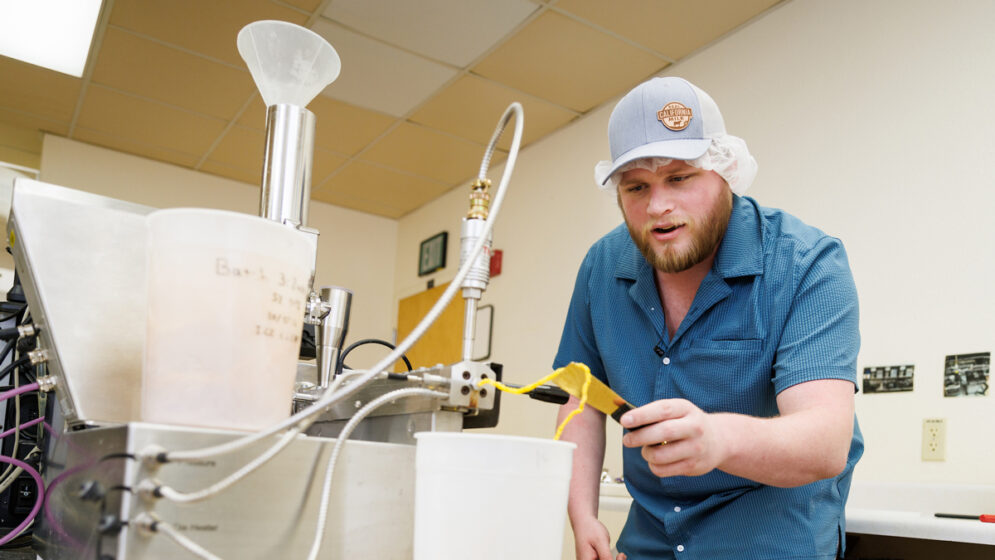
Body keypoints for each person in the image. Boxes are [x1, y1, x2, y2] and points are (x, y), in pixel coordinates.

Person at [553, 76, 863, 560]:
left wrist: (720, 439)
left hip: (771, 537)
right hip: (650, 537)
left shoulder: (806, 264)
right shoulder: (602, 268)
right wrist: (583, 515)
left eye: (679, 178)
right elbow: (582, 398)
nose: (658, 207)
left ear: (727, 171)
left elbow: (825, 441)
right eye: (637, 186)